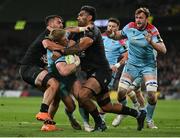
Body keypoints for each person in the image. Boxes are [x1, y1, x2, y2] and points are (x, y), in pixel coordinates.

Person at [53, 5, 146, 131]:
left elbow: (83, 45)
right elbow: (67, 30)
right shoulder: (81, 30)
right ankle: (138, 114)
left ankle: (99, 123)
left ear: (89, 17)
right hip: (92, 73)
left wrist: (63, 51)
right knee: (107, 107)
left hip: (101, 71)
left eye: (81, 15)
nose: (78, 17)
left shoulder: (93, 31)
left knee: (82, 96)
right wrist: (74, 30)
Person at [107, 7, 167, 129]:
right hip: (132, 64)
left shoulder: (153, 30)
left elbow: (164, 50)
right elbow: (120, 35)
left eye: (141, 18)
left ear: (146, 19)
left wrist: (151, 42)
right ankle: (123, 113)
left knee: (151, 94)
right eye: (136, 17)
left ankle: (149, 120)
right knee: (121, 93)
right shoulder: (130, 26)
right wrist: (112, 34)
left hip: (148, 66)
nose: (138, 20)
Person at [19, 15, 64, 131]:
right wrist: (66, 49)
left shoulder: (55, 37)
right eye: (58, 22)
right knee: (54, 83)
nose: (61, 25)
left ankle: (48, 124)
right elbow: (47, 45)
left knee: (56, 96)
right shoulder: (46, 35)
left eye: (62, 23)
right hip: (28, 68)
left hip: (37, 68)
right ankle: (43, 111)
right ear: (50, 24)